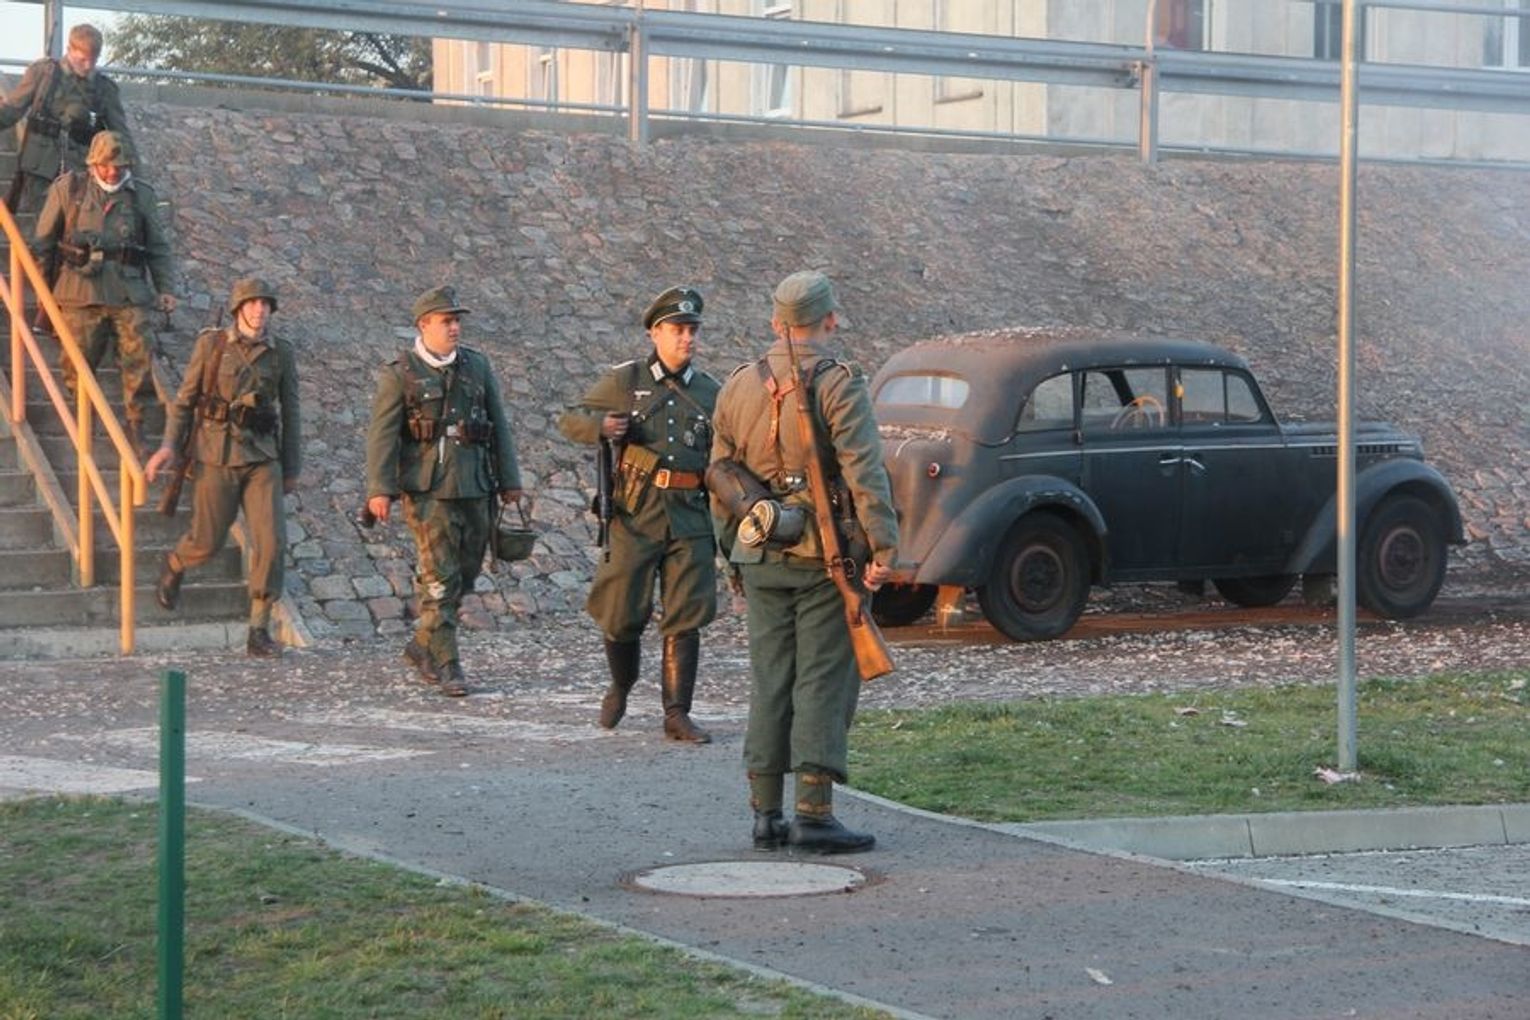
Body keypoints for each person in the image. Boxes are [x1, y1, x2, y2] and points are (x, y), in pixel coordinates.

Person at [708, 270, 898, 854]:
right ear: (830, 319)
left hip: (758, 551)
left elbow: (720, 478)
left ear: (775, 323)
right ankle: (813, 814)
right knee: (821, 677)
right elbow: (864, 470)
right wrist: (884, 544)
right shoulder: (839, 382)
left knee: (770, 679)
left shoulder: (737, 385)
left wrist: (732, 556)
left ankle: (765, 815)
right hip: (825, 558)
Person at [557, 286, 720, 743]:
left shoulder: (710, 392)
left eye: (692, 330)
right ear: (655, 333)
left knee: (686, 614)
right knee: (621, 613)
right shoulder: (626, 381)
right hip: (635, 514)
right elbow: (570, 418)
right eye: (678, 330)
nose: (687, 338)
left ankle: (677, 713)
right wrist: (602, 426)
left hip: (690, 516)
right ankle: (621, 684)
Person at [364, 285, 525, 697]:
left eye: (457, 321)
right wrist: (379, 489)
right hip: (428, 491)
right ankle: (448, 662)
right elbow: (382, 436)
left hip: (475, 484)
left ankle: (422, 644)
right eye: (447, 321)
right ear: (424, 325)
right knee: (440, 576)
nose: (455, 328)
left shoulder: (477, 366)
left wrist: (509, 480)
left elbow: (499, 426)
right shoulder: (400, 373)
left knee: (466, 573)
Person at [145, 278, 299, 657]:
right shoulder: (211, 345)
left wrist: (291, 467)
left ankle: (259, 628)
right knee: (207, 540)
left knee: (272, 541)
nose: (260, 310)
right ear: (238, 309)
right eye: (253, 303)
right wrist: (168, 446)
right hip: (215, 453)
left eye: (265, 304)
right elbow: (185, 401)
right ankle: (176, 562)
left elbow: (291, 411)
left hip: (262, 457)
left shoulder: (281, 352)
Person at [31, 129, 175, 453]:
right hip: (79, 290)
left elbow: (158, 247)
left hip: (129, 291)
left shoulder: (141, 195)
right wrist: (44, 291)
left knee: (139, 359)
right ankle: (85, 417)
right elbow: (43, 243)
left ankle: (136, 424)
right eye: (106, 165)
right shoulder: (69, 189)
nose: (112, 172)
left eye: (119, 166)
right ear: (92, 163)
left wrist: (165, 288)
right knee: (75, 362)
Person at [1, 24, 134, 217]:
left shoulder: (105, 89)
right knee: (44, 223)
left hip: (80, 170)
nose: (88, 66)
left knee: (74, 224)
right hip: (40, 166)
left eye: (93, 60)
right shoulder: (43, 73)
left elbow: (121, 135)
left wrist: (135, 178)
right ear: (70, 50)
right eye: (82, 59)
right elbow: (12, 109)